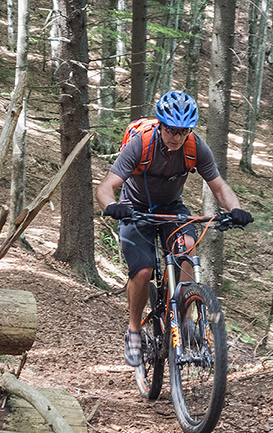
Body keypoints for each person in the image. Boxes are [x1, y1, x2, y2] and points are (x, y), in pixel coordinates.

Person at [95, 90, 253, 367]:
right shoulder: (141, 145)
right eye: (171, 130)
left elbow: (219, 187)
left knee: (188, 251)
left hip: (171, 208)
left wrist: (235, 209)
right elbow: (106, 187)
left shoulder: (196, 147)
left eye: (183, 131)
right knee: (143, 271)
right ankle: (133, 330)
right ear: (160, 124)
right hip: (134, 208)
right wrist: (112, 205)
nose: (176, 137)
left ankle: (184, 319)